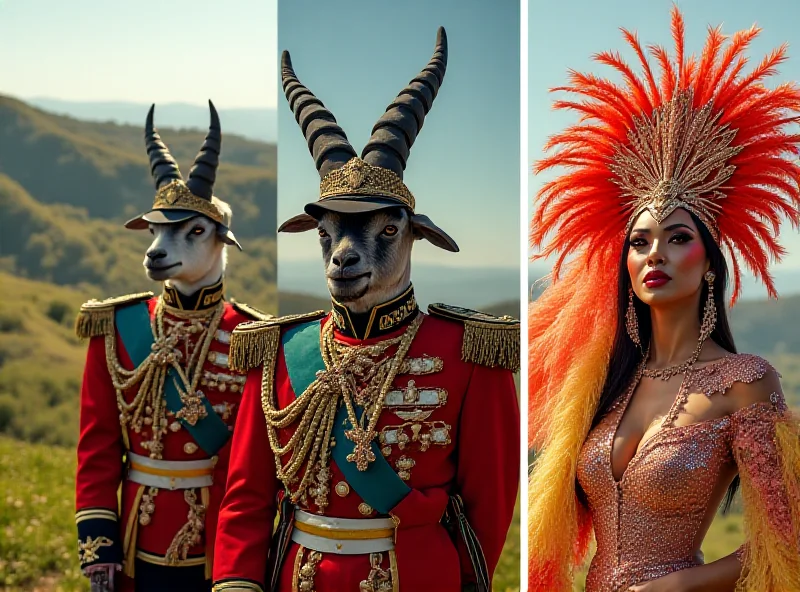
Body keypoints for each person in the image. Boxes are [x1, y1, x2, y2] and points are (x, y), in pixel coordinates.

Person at [211, 27, 520, 592]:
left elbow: (488, 508)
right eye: (329, 235)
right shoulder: (282, 350)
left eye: (381, 230)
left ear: (414, 236)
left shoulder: (469, 353)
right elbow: (248, 496)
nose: (345, 256)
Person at [527, 7, 800, 592]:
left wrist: (673, 586)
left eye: (678, 239)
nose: (657, 255)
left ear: (708, 264)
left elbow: (789, 539)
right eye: (641, 242)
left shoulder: (745, 381)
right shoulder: (604, 382)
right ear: (625, 265)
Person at [74, 102, 272, 591]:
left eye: (191, 232)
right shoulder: (119, 326)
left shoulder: (255, 338)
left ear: (221, 240)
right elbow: (97, 444)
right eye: (158, 230)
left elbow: (255, 465)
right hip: (135, 545)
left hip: (219, 546)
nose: (158, 246)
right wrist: (98, 542)